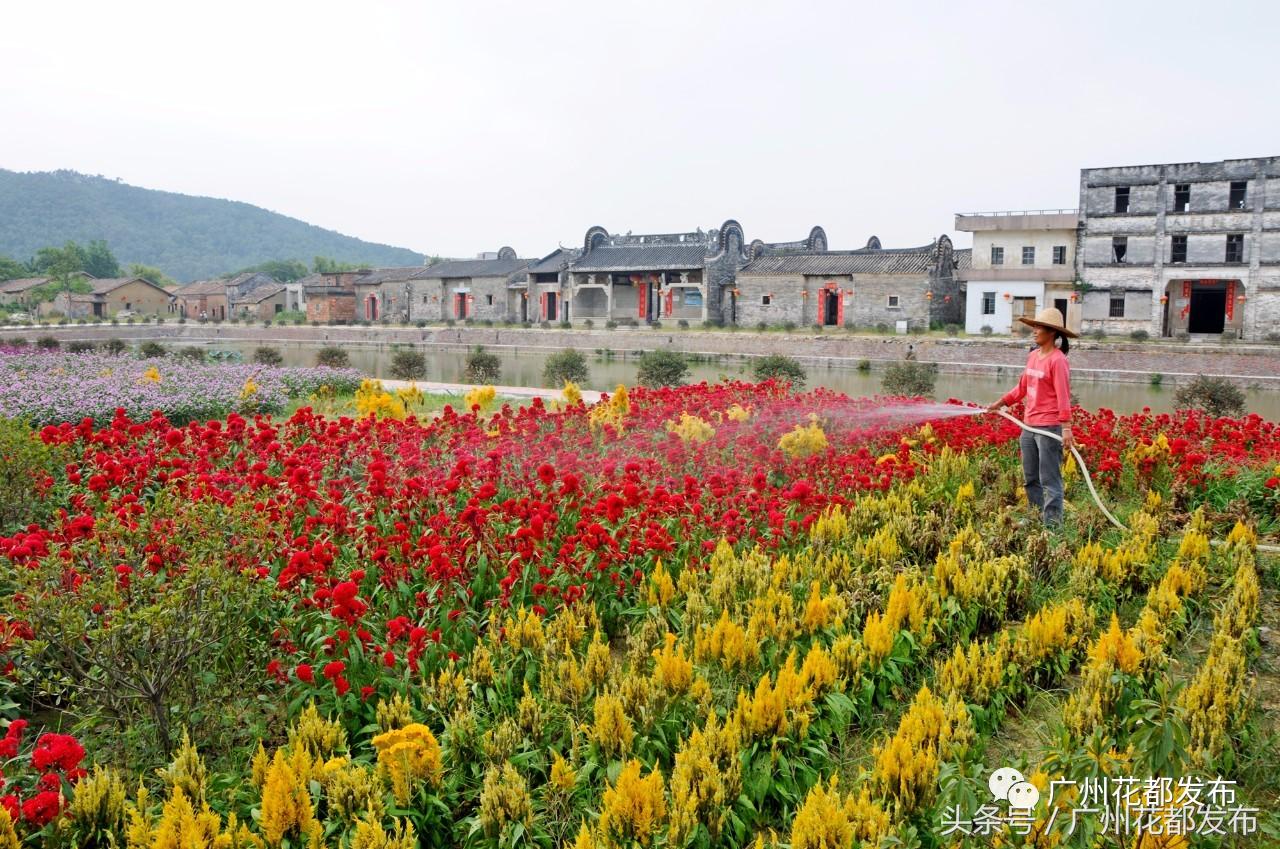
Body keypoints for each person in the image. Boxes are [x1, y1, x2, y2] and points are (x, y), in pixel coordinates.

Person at [986, 307, 1077, 527]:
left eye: (1039, 327)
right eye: (1034, 327)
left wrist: (1066, 428)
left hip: (1048, 428)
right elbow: (1021, 388)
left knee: (1050, 480)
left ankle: (1053, 527)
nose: (1034, 331)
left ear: (1052, 332)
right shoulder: (1033, 357)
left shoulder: (1058, 360)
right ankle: (1035, 517)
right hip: (1029, 427)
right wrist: (1001, 402)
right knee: (1030, 478)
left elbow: (1064, 396)